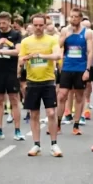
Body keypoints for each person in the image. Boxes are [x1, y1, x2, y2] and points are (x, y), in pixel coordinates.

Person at [18, 13, 63, 157]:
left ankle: (54, 144)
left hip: (48, 81)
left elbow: (57, 56)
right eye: (35, 25)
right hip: (32, 82)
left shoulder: (52, 40)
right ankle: (36, 144)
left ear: (45, 25)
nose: (38, 28)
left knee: (51, 113)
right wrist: (27, 57)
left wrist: (41, 56)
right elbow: (20, 60)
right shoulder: (26, 42)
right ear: (31, 25)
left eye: (40, 25)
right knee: (34, 114)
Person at [0, 12, 24, 142]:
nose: (2, 26)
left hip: (11, 71)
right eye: (0, 23)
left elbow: (18, 51)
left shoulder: (16, 35)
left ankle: (17, 130)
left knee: (14, 99)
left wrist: (5, 46)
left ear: (9, 22)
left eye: (4, 23)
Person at [57, 8, 93, 136]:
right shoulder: (65, 30)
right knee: (62, 95)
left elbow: (89, 52)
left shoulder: (87, 32)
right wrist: (66, 36)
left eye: (76, 17)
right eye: (71, 17)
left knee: (79, 96)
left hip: (80, 68)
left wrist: (87, 70)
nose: (73, 19)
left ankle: (76, 125)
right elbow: (58, 46)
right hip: (67, 67)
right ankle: (58, 124)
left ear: (80, 18)